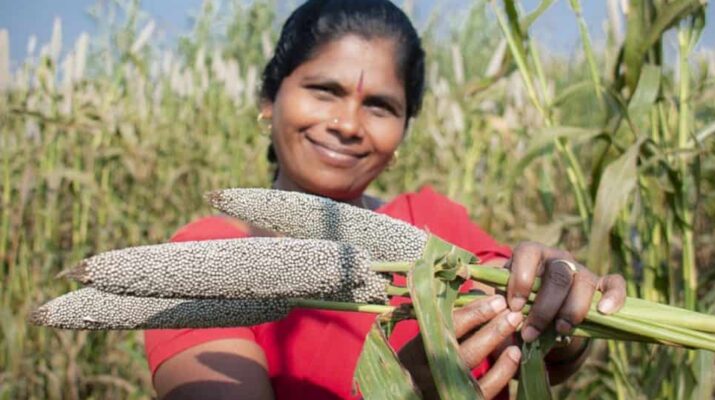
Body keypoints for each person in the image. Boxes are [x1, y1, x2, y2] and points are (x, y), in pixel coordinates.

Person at [145, 0, 626, 399]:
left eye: (380, 106)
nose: (349, 124)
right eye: (323, 90)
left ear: (401, 134)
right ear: (269, 100)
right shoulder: (204, 262)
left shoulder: (431, 225)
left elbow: (536, 342)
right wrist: (398, 389)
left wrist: (563, 310)